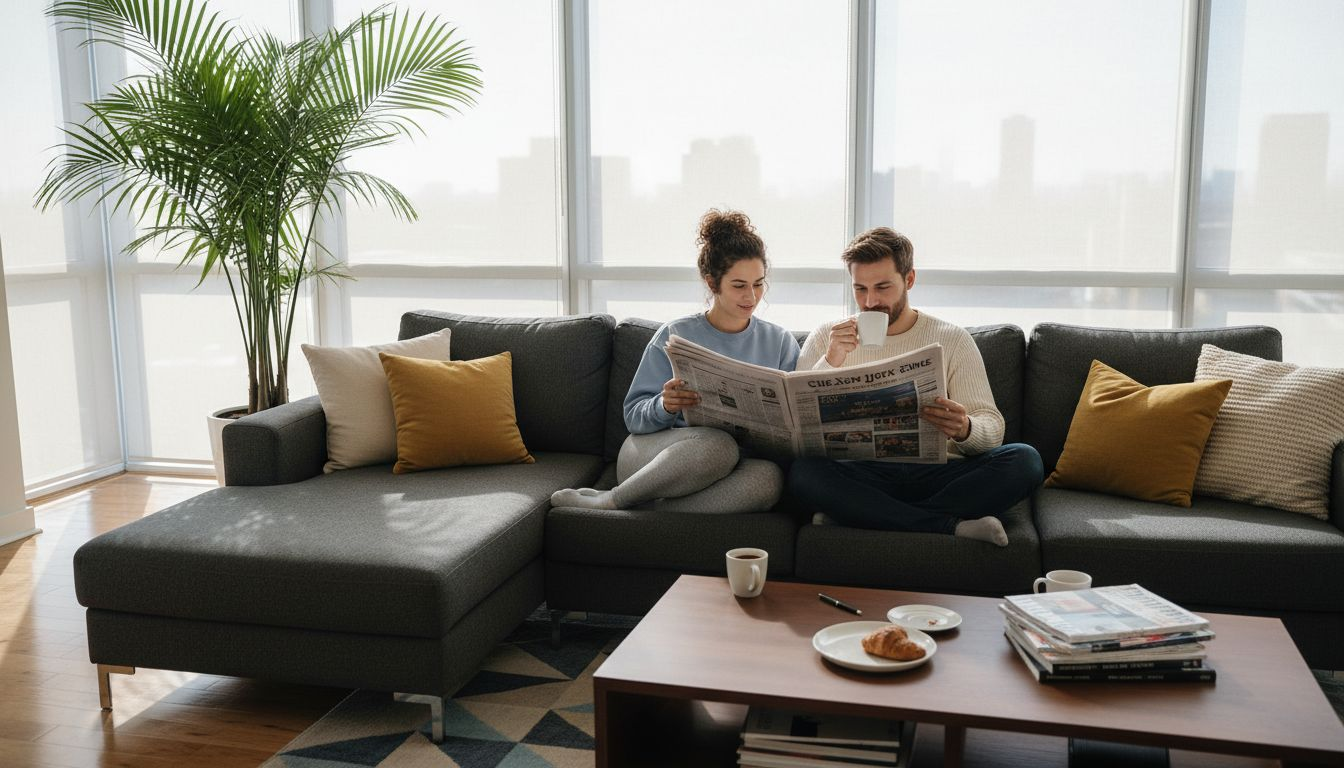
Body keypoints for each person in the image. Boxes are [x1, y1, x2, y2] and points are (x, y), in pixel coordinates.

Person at [788, 228, 1043, 546]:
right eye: (860, 289)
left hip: (940, 474)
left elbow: (992, 427)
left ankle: (858, 515)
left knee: (1025, 461)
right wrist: (831, 360)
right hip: (863, 474)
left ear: (909, 279)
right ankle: (948, 525)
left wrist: (964, 427)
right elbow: (800, 428)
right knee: (804, 473)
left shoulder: (952, 338)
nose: (870, 301)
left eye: (883, 287)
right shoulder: (827, 338)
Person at [550, 210, 800, 513]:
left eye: (758, 284)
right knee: (719, 446)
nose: (751, 296)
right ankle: (613, 498)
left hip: (733, 464)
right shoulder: (675, 335)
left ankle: (650, 508)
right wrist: (665, 405)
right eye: (739, 285)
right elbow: (633, 417)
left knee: (768, 480)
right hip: (656, 454)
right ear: (712, 283)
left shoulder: (780, 342)